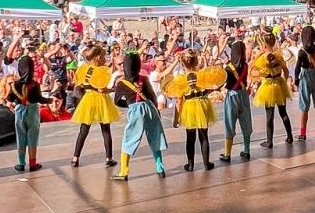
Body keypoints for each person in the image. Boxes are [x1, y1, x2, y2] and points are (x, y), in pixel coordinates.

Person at [113, 52, 167, 180]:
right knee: (155, 137)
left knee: (129, 139)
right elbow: (152, 96)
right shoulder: (144, 78)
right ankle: (160, 168)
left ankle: (123, 171)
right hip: (149, 108)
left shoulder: (122, 83)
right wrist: (155, 110)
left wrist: (130, 105)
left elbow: (116, 101)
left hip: (135, 110)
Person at [70, 45, 119, 168]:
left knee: (83, 130)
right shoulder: (101, 71)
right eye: (103, 57)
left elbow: (79, 84)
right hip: (100, 100)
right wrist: (112, 89)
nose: (104, 59)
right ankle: (109, 158)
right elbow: (102, 89)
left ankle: (75, 158)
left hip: (87, 99)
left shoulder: (83, 68)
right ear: (97, 58)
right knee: (105, 129)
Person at [174, 51, 217, 172]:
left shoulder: (180, 79)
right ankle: (206, 163)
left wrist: (177, 117)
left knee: (190, 136)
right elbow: (209, 86)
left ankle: (190, 164)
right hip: (202, 104)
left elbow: (178, 100)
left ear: (183, 64)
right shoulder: (202, 75)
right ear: (196, 61)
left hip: (189, 106)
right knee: (204, 136)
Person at [253, 31, 294, 148]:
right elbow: (285, 71)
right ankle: (290, 136)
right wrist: (285, 81)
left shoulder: (262, 59)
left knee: (269, 115)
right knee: (283, 112)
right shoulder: (279, 55)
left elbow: (256, 71)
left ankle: (269, 141)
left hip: (268, 87)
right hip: (279, 85)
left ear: (264, 45)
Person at [7, 55, 44, 174]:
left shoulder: (14, 85)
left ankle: (21, 163)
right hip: (32, 110)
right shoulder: (35, 84)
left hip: (19, 110)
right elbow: (39, 99)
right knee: (33, 137)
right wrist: (49, 100)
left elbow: (9, 99)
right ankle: (32, 163)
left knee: (20, 136)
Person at [220, 39, 254, 162]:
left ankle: (227, 154)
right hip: (243, 95)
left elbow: (222, 82)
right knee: (246, 122)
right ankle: (246, 150)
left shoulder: (228, 68)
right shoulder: (245, 65)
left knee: (229, 123)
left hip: (232, 96)